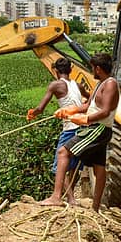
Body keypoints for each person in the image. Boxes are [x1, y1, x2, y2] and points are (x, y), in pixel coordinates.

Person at [40, 53, 119, 212]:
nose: (92, 71)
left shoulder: (110, 84)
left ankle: (56, 197)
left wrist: (85, 120)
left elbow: (105, 111)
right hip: (97, 128)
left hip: (98, 128)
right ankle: (95, 208)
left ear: (98, 68)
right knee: (99, 166)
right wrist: (69, 111)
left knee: (63, 152)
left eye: (92, 68)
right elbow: (87, 105)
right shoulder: (100, 84)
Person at [26, 57, 88, 204]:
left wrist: (32, 113)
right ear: (71, 70)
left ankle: (62, 198)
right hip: (82, 129)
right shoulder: (78, 85)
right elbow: (90, 98)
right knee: (74, 167)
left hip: (69, 129)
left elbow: (40, 108)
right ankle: (70, 198)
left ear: (55, 70)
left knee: (59, 164)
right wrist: (83, 106)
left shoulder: (55, 85)